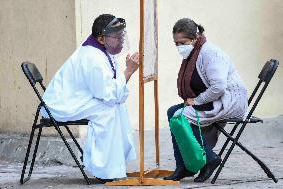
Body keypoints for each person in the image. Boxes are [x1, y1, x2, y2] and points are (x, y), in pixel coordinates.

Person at [41, 14, 139, 182]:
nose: (121, 40)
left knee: (116, 105)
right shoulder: (92, 57)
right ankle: (104, 170)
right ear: (101, 39)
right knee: (108, 109)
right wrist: (128, 71)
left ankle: (116, 164)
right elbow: (106, 94)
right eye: (116, 37)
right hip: (61, 104)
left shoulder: (103, 52)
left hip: (78, 98)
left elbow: (110, 91)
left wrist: (126, 73)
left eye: (121, 36)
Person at [163, 18, 248, 182]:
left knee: (180, 116)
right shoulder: (194, 52)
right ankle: (184, 166)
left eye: (183, 42)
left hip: (229, 100)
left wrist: (197, 100)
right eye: (176, 43)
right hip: (214, 98)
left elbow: (219, 87)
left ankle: (209, 159)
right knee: (172, 111)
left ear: (195, 38)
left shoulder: (210, 53)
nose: (180, 47)